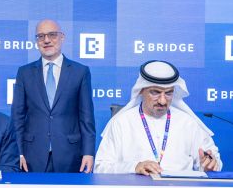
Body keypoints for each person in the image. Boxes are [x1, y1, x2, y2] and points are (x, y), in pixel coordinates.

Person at [94, 60, 222, 176]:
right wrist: (134, 167)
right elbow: (100, 167)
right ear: (141, 90)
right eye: (155, 92)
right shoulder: (121, 122)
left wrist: (209, 165)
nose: (162, 101)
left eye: (168, 93)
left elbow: (213, 162)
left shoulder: (188, 123)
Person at [11, 19, 96, 173]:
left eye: (52, 35)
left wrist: (88, 152)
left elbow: (86, 117)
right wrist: (18, 152)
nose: (46, 40)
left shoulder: (80, 72)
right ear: (36, 41)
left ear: (62, 37)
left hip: (70, 155)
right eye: (41, 36)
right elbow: (17, 117)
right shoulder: (24, 73)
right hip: (32, 157)